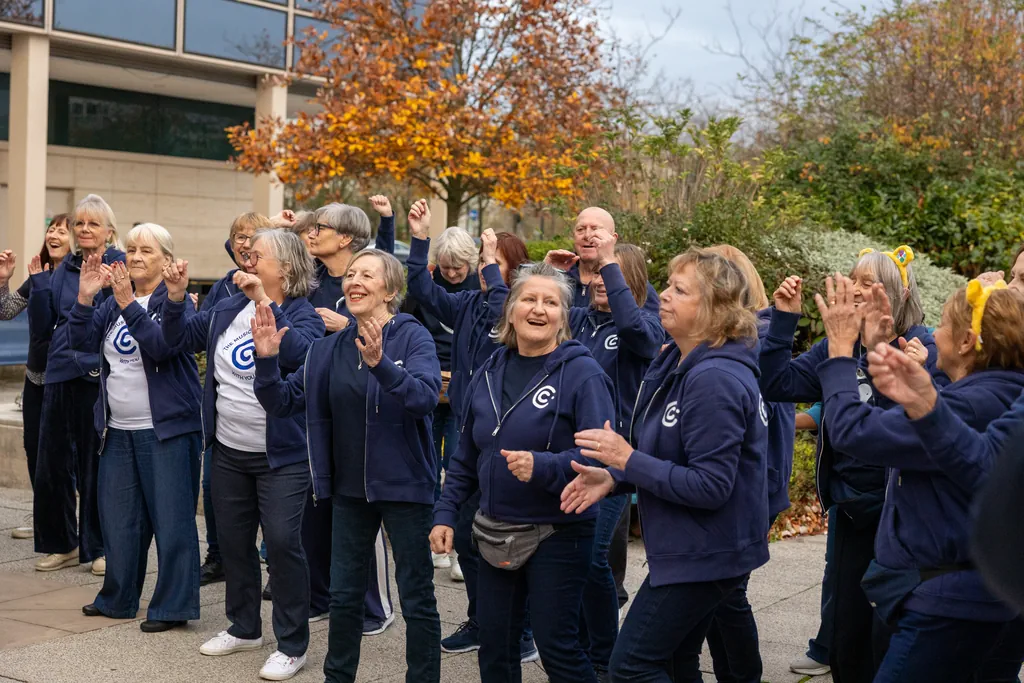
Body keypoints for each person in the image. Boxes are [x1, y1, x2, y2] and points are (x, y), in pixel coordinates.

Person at [561, 248, 769, 683]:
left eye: (679, 290)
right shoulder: (677, 359)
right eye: (668, 285)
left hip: (705, 554)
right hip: (690, 550)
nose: (664, 297)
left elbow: (712, 486)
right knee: (675, 661)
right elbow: (667, 457)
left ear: (713, 309)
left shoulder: (715, 379)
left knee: (631, 667)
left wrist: (627, 459)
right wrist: (614, 477)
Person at [817, 276, 1024, 681]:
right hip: (972, 598)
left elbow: (854, 432)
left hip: (947, 606)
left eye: (943, 325)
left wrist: (841, 351)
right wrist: (879, 349)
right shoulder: (994, 391)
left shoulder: (975, 402)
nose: (933, 334)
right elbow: (909, 424)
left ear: (967, 342)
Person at [253, 248, 442, 683]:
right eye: (351, 274)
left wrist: (381, 367)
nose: (355, 281)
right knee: (343, 596)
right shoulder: (326, 349)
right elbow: (282, 403)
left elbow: (424, 398)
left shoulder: (412, 337)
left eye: (368, 275)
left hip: (405, 487)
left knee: (417, 597)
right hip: (348, 491)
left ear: (390, 291)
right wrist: (266, 361)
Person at [759, 246, 939, 683]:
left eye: (867, 281)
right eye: (853, 279)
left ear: (897, 292)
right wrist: (784, 320)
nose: (856, 289)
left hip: (902, 514)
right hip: (852, 508)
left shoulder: (922, 345)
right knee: (846, 632)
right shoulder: (837, 345)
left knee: (888, 630)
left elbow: (923, 427)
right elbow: (775, 382)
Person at [431, 260, 615, 683]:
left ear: (563, 316)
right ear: (511, 309)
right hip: (495, 529)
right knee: (495, 647)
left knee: (558, 648)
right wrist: (445, 514)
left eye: (551, 302)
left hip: (558, 532)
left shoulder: (583, 373)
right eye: (529, 299)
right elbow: (464, 456)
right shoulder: (491, 369)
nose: (539, 309)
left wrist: (543, 466)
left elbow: (601, 458)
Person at [161, 229, 324, 682]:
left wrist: (262, 303)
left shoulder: (303, 314)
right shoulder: (226, 305)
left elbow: (301, 353)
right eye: (246, 253)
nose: (247, 258)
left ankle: (292, 644)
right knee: (233, 543)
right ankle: (245, 626)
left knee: (284, 545)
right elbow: (179, 339)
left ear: (285, 268)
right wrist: (175, 299)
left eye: (259, 255)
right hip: (229, 448)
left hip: (282, 456)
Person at [405, 204, 532, 657]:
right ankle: (484, 620)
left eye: (490, 263)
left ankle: (523, 632)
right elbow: (420, 286)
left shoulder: (523, 309)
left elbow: (504, 317)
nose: (482, 271)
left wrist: (496, 272)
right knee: (469, 533)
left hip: (508, 443)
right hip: (469, 433)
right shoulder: (467, 304)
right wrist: (419, 238)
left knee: (506, 540)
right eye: (482, 263)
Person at [66, 224, 203, 633]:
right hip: (118, 429)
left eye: (146, 250)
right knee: (119, 519)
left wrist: (128, 303)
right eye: (130, 249)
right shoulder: (111, 303)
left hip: (166, 430)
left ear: (166, 260)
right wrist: (86, 297)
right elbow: (82, 343)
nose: (135, 256)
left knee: (172, 520)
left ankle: (172, 606)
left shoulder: (176, 302)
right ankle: (118, 598)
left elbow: (161, 346)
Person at [701, 243, 797, 683]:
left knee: (728, 597)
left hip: (754, 491)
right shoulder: (745, 337)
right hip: (755, 489)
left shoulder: (754, 339)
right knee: (722, 598)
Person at [568, 233, 662, 680]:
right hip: (567, 455)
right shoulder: (580, 320)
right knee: (573, 558)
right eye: (600, 273)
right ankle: (579, 641)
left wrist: (607, 266)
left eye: (615, 273)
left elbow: (636, 334)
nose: (604, 280)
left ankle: (604, 654)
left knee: (593, 559)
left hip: (612, 463)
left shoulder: (644, 325)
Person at [302, 197, 397, 632]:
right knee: (317, 516)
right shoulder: (312, 280)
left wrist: (347, 329)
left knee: (361, 521)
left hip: (364, 420)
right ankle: (321, 597)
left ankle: (376, 609)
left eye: (320, 226)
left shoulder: (372, 285)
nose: (311, 232)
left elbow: (394, 332)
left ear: (346, 237)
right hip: (318, 414)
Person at [29, 194, 125, 574]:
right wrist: (38, 285)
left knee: (93, 464)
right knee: (51, 465)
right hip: (58, 372)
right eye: (79, 224)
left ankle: (98, 546)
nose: (84, 230)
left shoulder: (119, 265)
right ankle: (61, 542)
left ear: (108, 231)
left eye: (92, 224)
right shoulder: (61, 269)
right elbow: (41, 326)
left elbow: (115, 317)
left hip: (97, 375)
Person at [198, 211, 275, 587]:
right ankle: (219, 556)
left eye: (253, 239)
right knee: (214, 494)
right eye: (238, 238)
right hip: (225, 427)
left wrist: (272, 227)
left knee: (273, 517)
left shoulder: (286, 294)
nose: (244, 245)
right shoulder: (224, 288)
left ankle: (275, 567)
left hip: (271, 434)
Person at [403, 225, 482, 579]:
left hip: (464, 390)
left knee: (458, 466)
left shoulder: (479, 289)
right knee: (427, 465)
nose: (452, 273)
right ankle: (434, 541)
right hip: (429, 386)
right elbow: (411, 319)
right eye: (446, 266)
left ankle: (459, 546)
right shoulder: (431, 287)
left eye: (458, 267)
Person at [0, 215, 72, 540]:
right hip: (35, 378)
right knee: (34, 448)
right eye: (52, 228)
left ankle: (76, 525)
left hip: (68, 379)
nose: (54, 234)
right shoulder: (38, 274)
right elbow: (5, 310)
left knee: (67, 452)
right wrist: (4, 280)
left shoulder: (79, 278)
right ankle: (46, 518)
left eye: (62, 230)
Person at [544, 207, 660, 313]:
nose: (587, 235)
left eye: (595, 229)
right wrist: (544, 272)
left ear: (613, 239)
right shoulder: (560, 276)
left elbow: (657, 331)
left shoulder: (631, 283)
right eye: (580, 229)